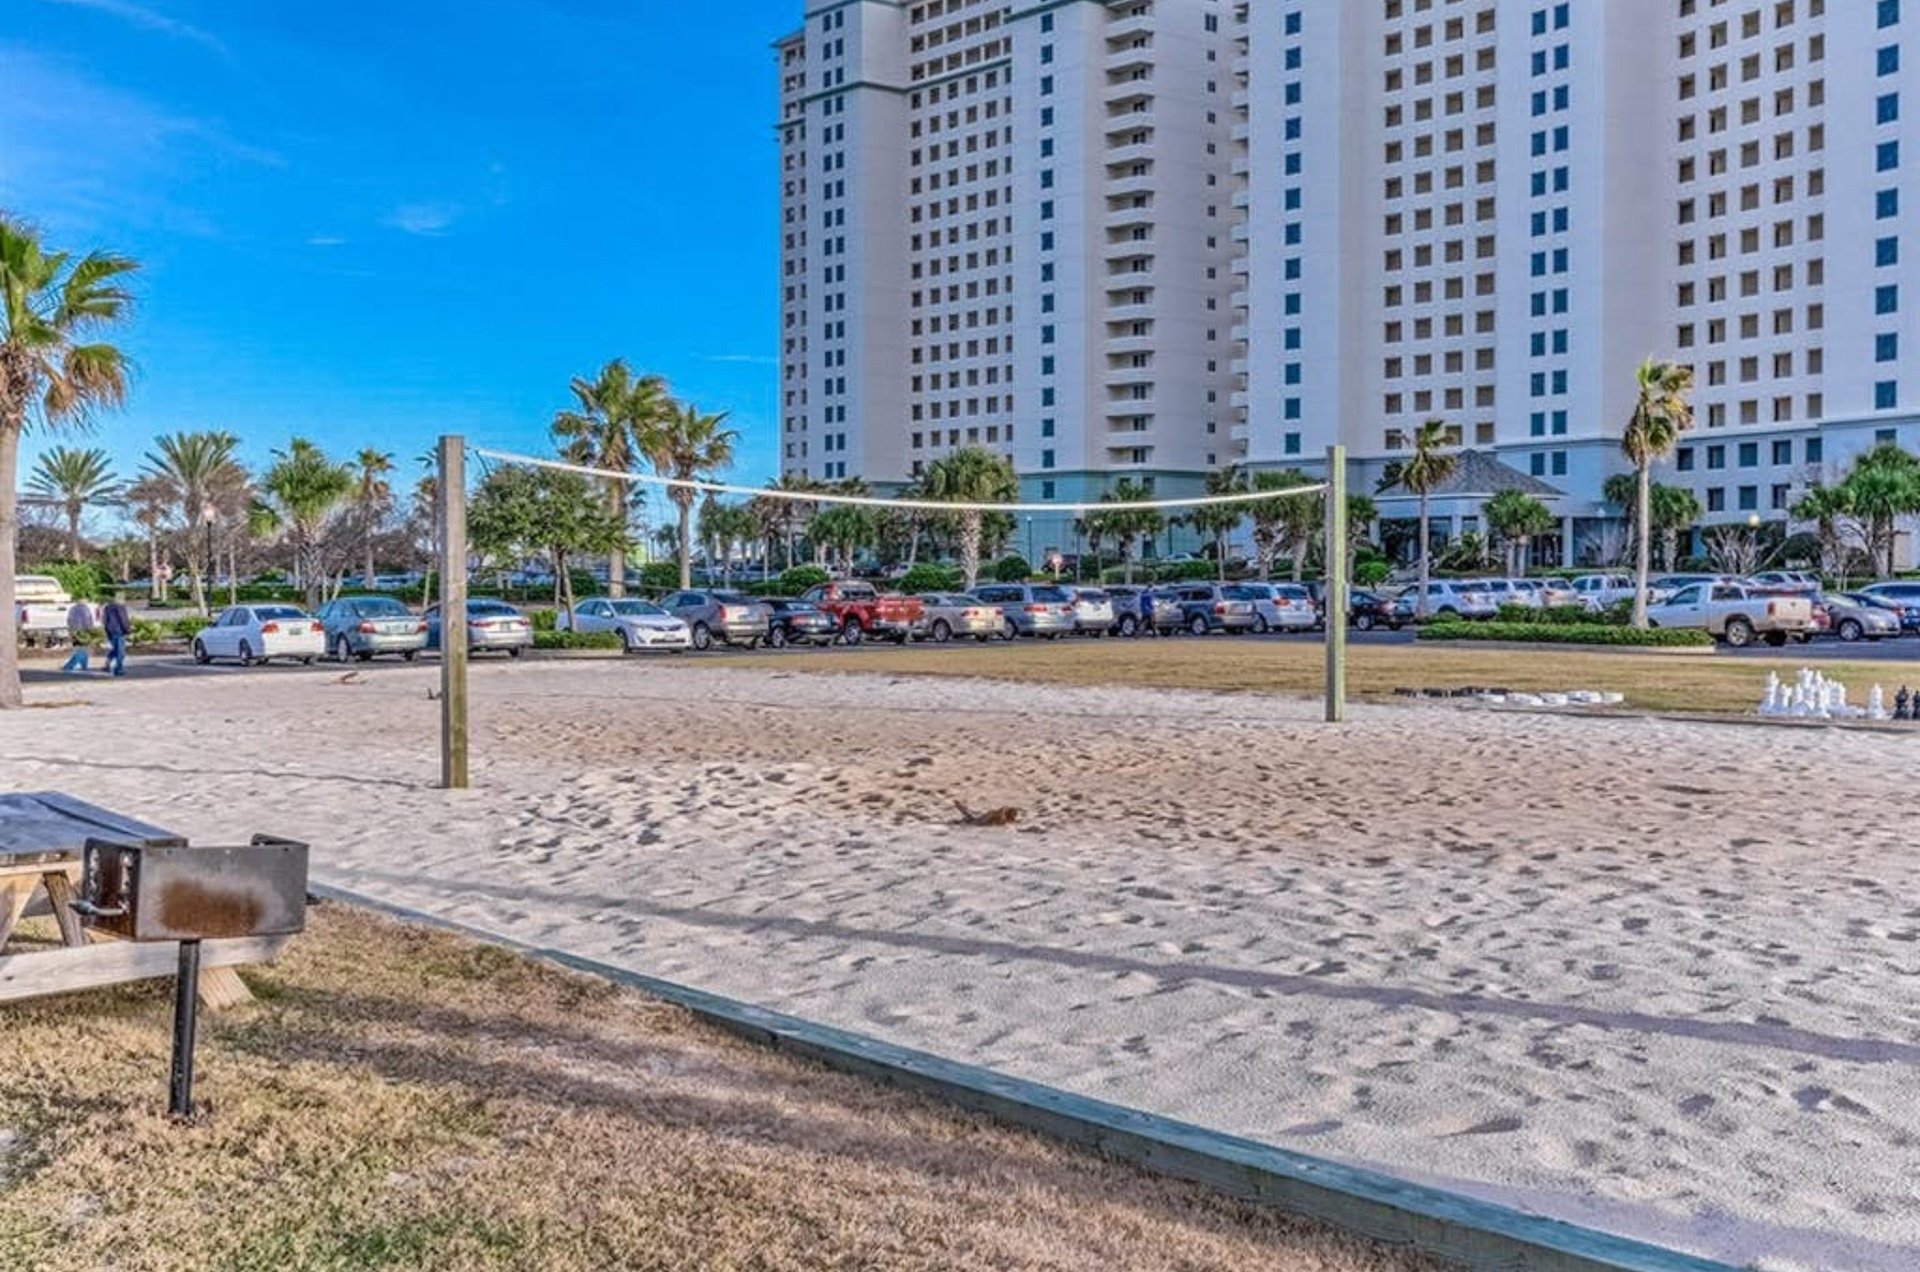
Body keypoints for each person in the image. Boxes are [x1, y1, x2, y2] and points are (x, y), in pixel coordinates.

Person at [101, 592, 132, 678]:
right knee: (120, 652)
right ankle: (118, 669)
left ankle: (108, 663)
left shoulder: (107, 607)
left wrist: (107, 632)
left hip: (111, 631)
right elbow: (124, 620)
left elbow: (105, 621)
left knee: (115, 649)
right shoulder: (121, 608)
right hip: (119, 631)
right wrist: (128, 631)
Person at [60, 599, 97, 673]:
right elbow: (88, 621)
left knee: (81, 649)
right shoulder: (85, 609)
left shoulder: (72, 609)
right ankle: (69, 666)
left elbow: (69, 620)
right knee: (82, 650)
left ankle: (84, 666)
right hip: (83, 632)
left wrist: (71, 631)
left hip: (75, 631)